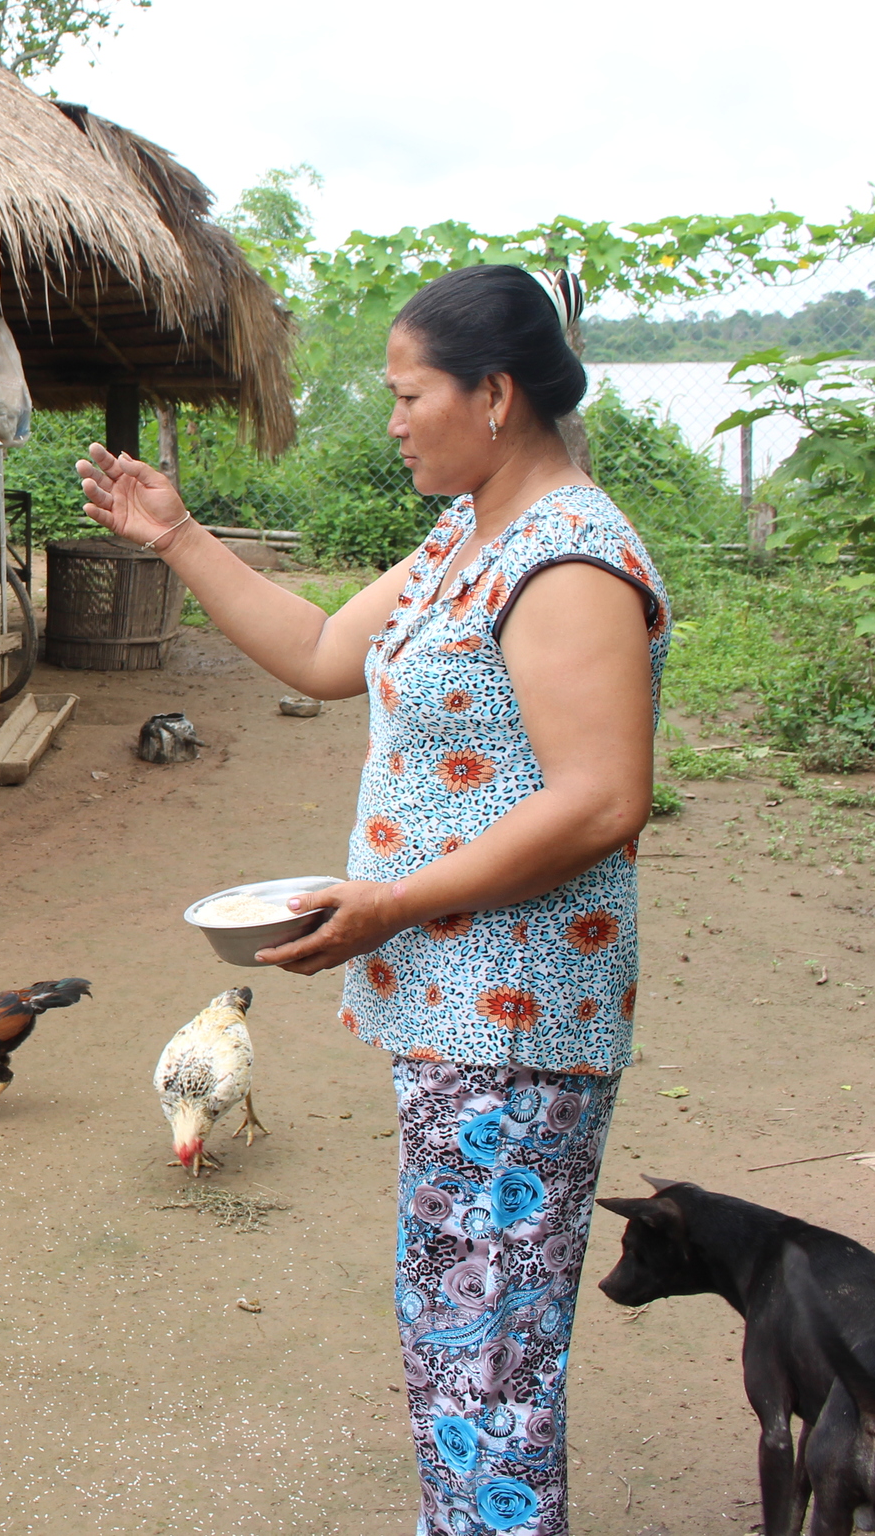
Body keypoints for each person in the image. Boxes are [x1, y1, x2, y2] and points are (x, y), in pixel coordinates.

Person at [79, 264, 667, 1536]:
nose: (393, 419)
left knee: (486, 1357)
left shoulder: (566, 558)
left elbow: (602, 797)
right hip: (456, 1016)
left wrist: (394, 902)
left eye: (409, 394)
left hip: (516, 1025)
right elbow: (317, 653)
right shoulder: (468, 535)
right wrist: (178, 537)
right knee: (460, 1334)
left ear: (494, 394)